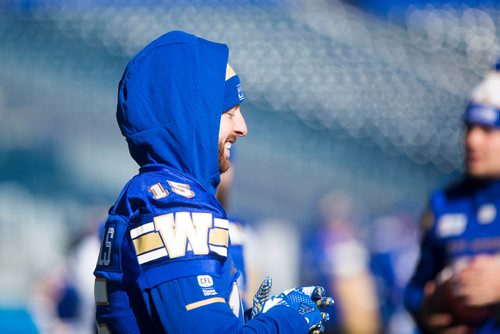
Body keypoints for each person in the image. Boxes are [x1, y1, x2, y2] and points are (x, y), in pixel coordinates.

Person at [93, 30, 333, 333]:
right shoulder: (169, 202)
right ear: (190, 116)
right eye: (229, 112)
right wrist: (285, 322)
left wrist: (253, 320)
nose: (243, 127)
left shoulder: (156, 196)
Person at [404, 64, 500, 333]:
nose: (472, 140)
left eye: (488, 130)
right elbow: (415, 289)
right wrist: (428, 311)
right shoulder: (444, 203)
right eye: (469, 127)